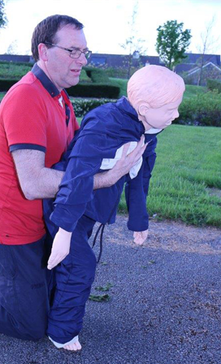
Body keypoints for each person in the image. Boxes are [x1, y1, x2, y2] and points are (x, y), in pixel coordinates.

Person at [0, 15, 144, 347]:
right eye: (73, 51)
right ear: (44, 52)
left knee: (51, 292)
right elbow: (33, 183)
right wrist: (103, 180)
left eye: (85, 52)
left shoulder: (59, 98)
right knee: (30, 322)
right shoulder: (26, 98)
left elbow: (76, 159)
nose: (83, 61)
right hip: (11, 228)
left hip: (39, 223)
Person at [43, 65, 185, 350]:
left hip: (86, 210)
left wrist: (139, 221)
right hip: (65, 207)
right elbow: (78, 173)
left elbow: (140, 176)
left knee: (65, 263)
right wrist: (65, 231)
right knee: (79, 265)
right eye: (171, 108)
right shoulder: (105, 124)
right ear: (144, 107)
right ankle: (61, 333)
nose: (176, 115)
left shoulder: (147, 130)